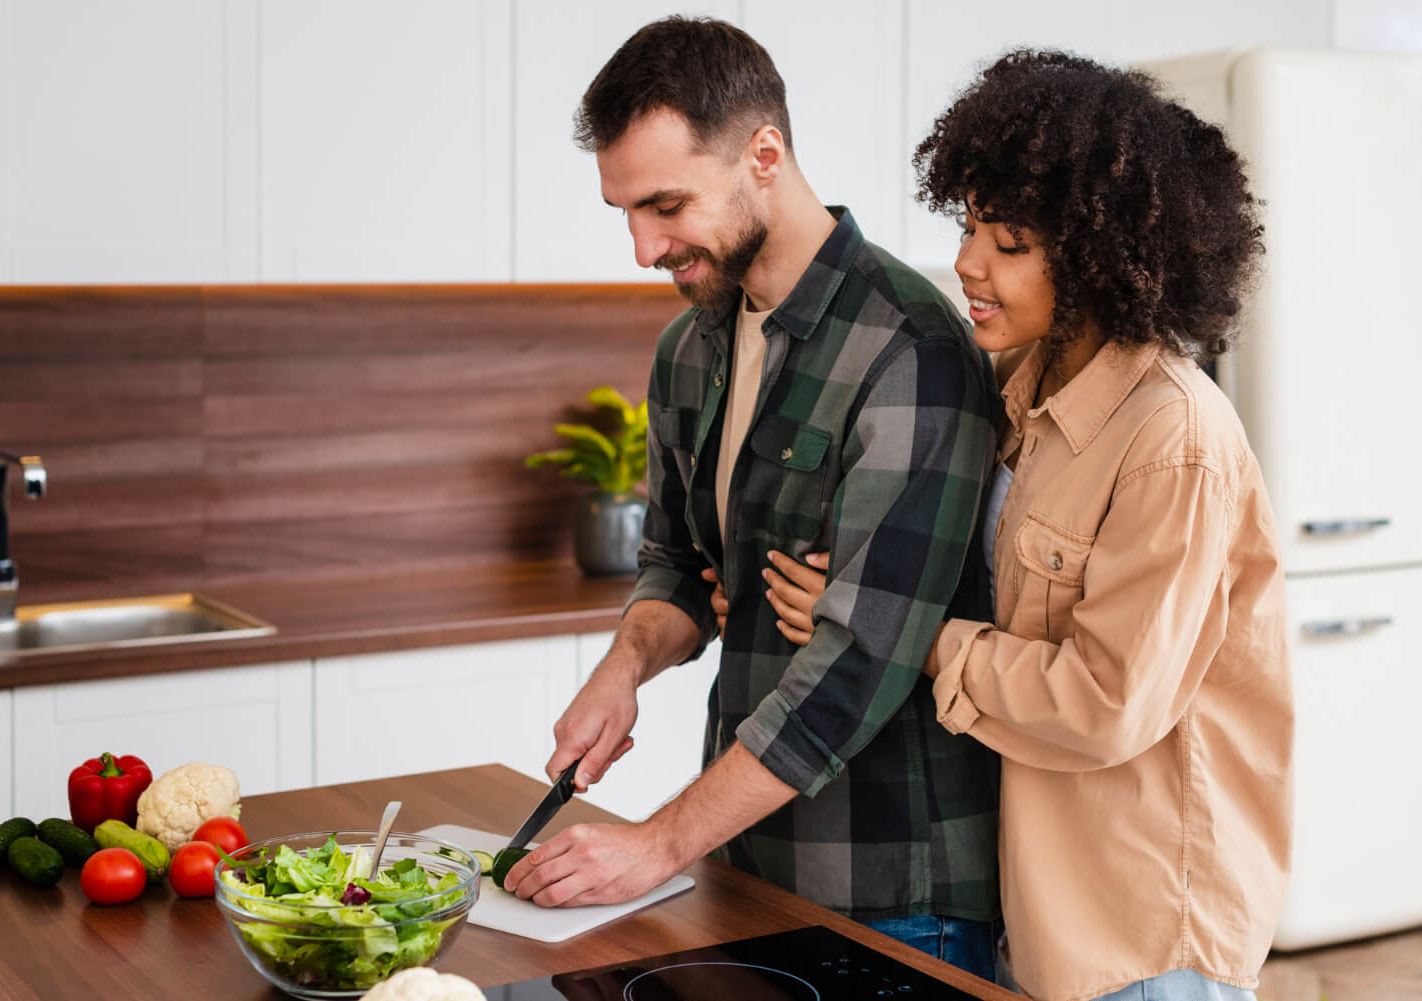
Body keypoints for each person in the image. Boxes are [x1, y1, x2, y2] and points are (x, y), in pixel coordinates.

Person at [753, 50, 1293, 1001]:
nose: (967, 261)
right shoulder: (1024, 394)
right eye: (970, 227)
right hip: (1043, 911)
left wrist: (907, 636)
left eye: (1007, 242)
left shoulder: (1174, 436)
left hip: (1143, 936)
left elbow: (1105, 701)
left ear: (1094, 256)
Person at [501, 16, 1004, 978]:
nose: (643, 247)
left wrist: (655, 843)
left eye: (666, 205)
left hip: (895, 895)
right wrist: (624, 667)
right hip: (747, 865)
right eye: (626, 213)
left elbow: (859, 660)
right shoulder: (690, 348)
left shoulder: (911, 348)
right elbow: (680, 565)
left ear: (763, 155)